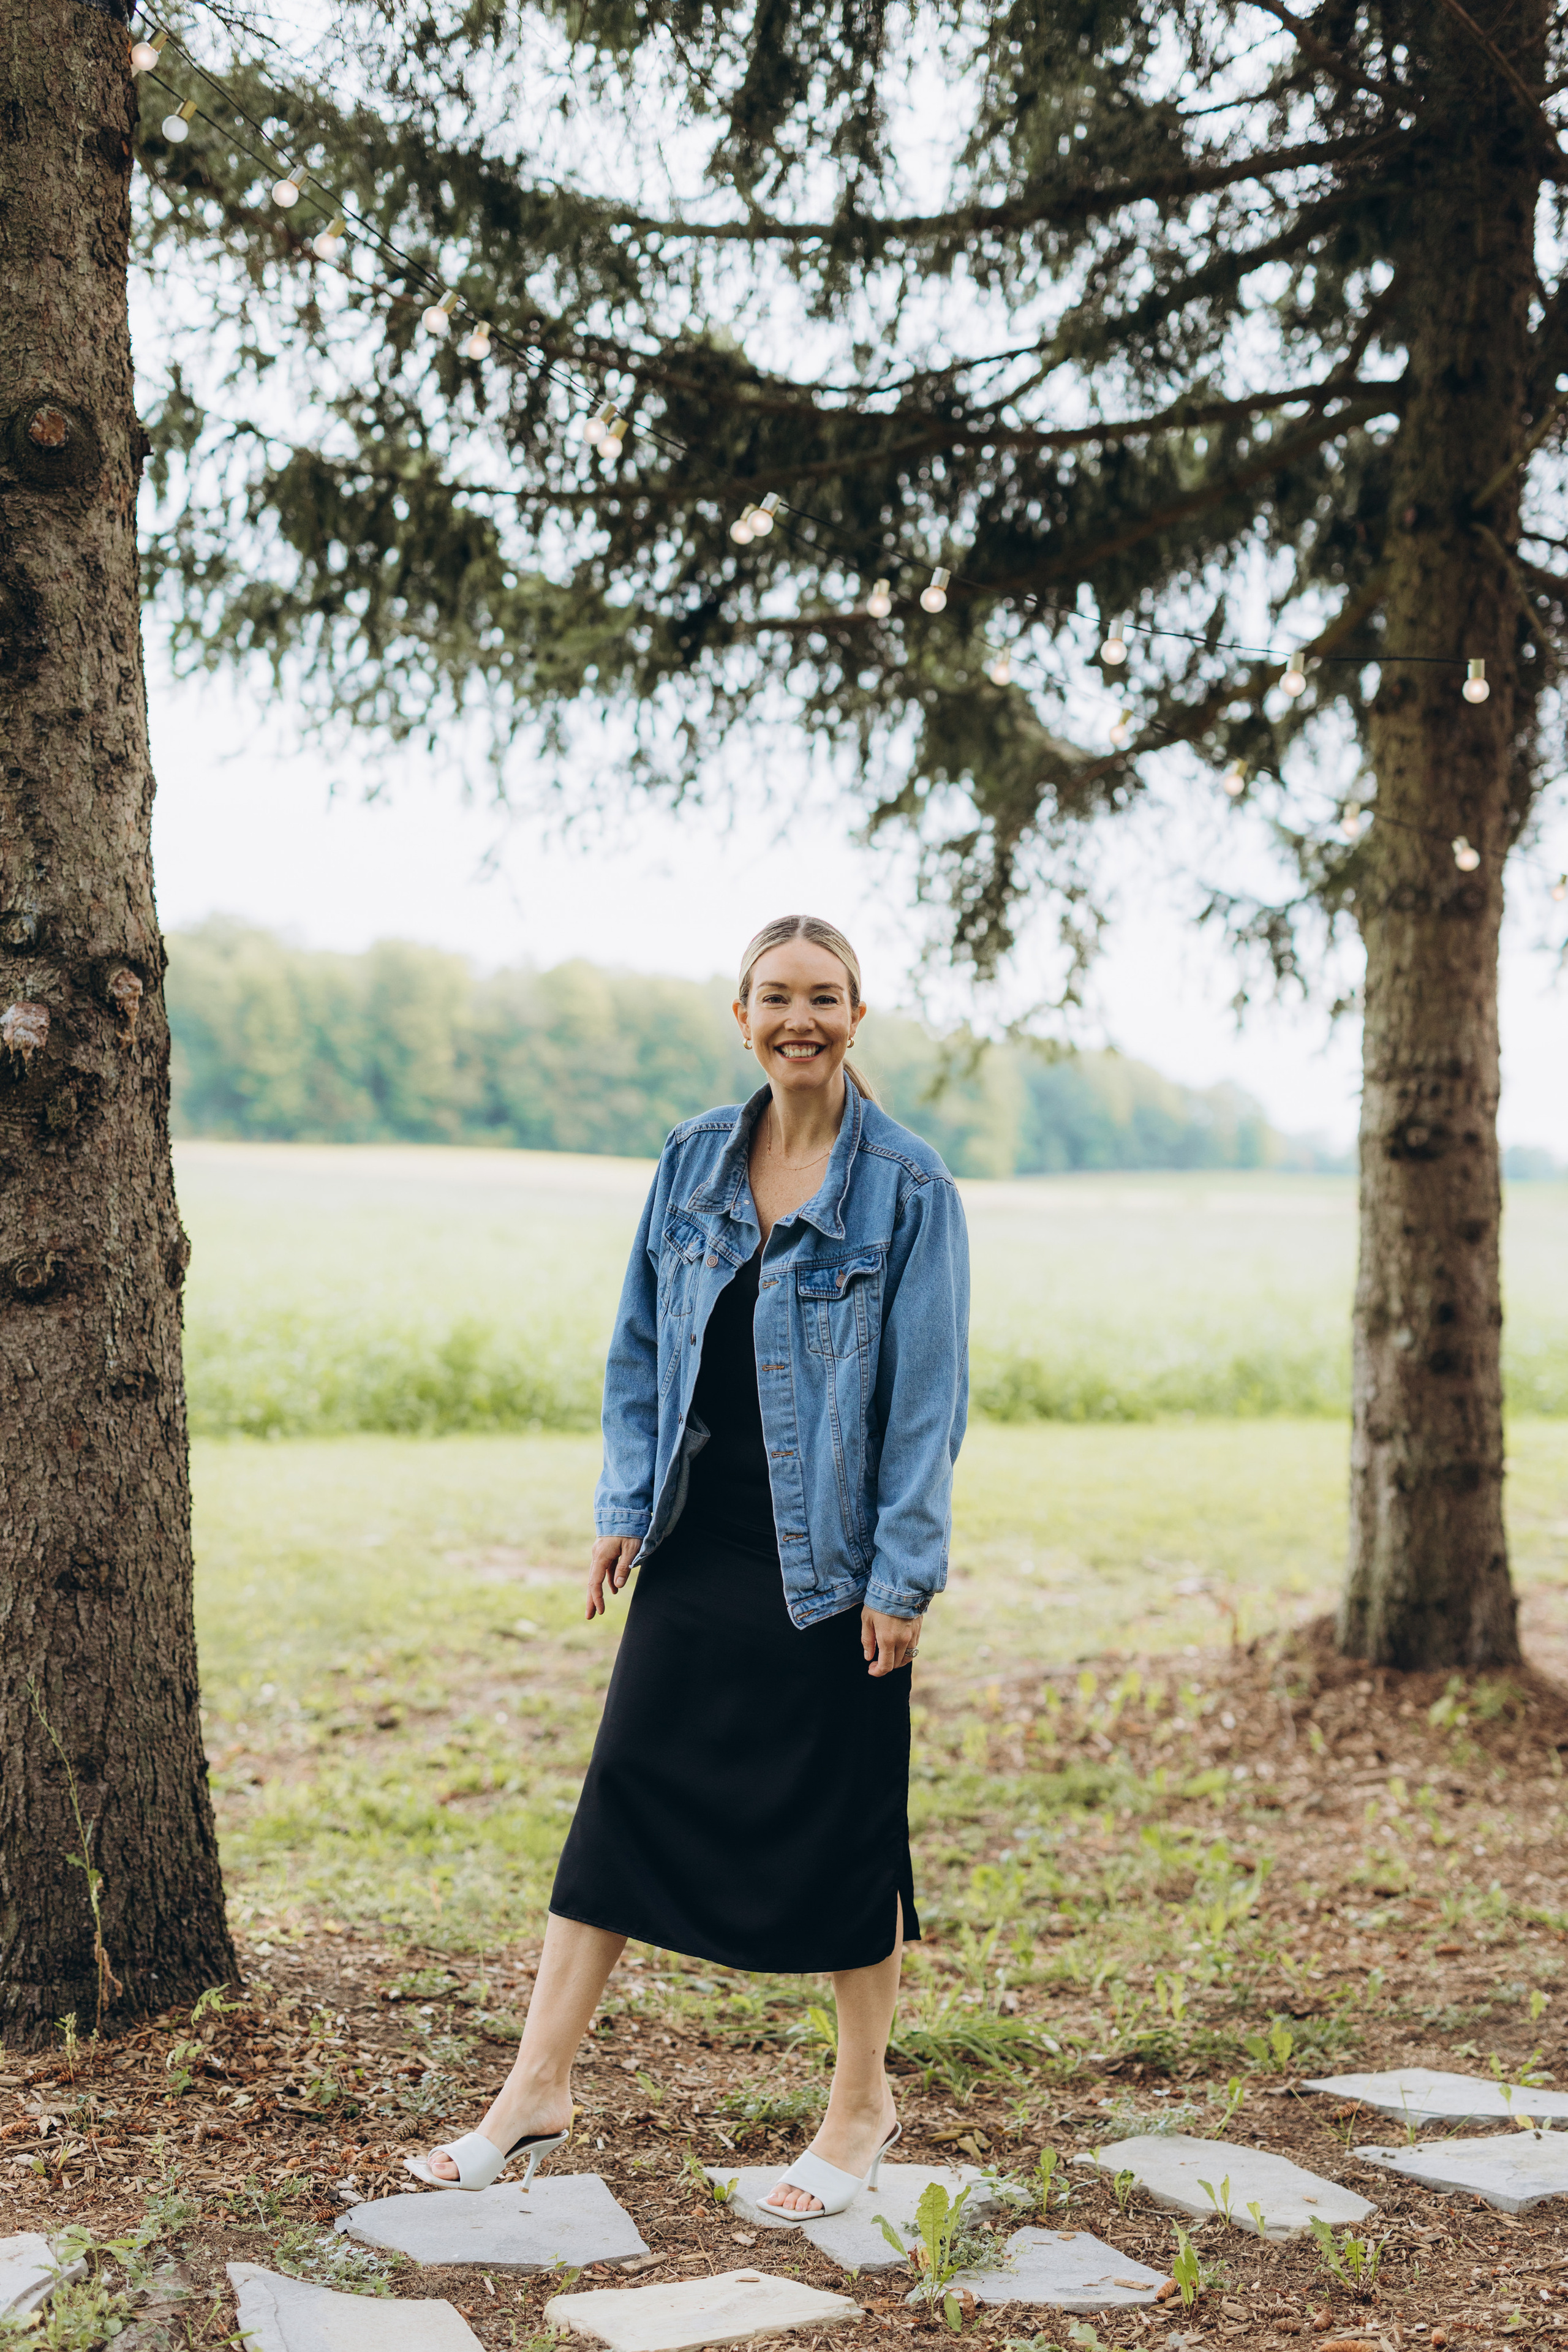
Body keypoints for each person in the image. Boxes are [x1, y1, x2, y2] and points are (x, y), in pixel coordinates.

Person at [409, 913, 970, 2219]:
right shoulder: (689, 1161)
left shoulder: (908, 1186)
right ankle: (533, 2089)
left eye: (824, 998)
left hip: (831, 1563)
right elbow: (640, 1348)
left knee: (847, 1827)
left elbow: (927, 1400)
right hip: (698, 1538)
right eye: (774, 997)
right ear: (739, 1017)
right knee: (620, 1796)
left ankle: (859, 2106)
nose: (799, 1020)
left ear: (855, 1017)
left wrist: (902, 1576)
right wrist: (622, 1501)